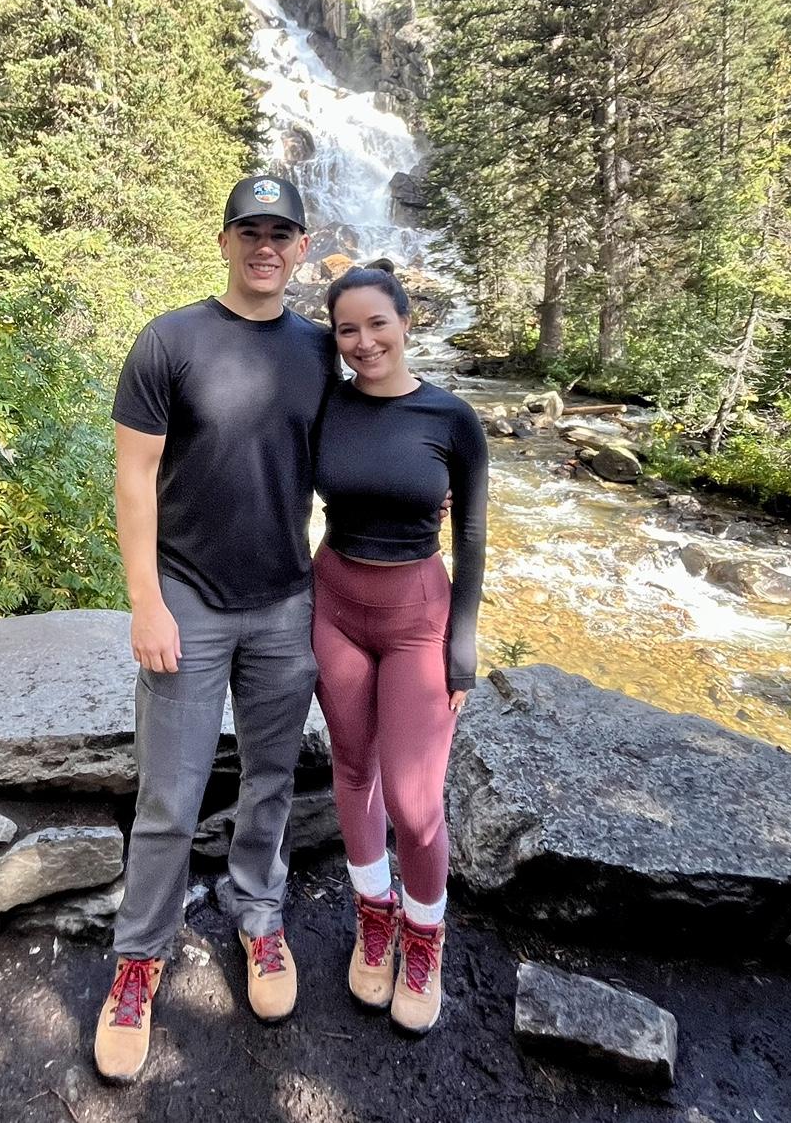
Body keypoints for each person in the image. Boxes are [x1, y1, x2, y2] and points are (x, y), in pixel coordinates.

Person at [93, 175, 335, 1085]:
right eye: (250, 230)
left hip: (285, 600)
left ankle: (259, 916)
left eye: (281, 231)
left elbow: (355, 450)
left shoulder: (320, 351)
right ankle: (140, 957)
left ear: (302, 247)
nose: (265, 245)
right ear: (225, 240)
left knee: (271, 775)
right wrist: (146, 601)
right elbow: (132, 479)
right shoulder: (169, 341)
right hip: (188, 598)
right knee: (170, 791)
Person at [311, 263, 489, 1035]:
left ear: (406, 321)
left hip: (418, 615)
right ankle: (374, 916)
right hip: (335, 605)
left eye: (376, 324)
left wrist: (465, 640)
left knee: (416, 803)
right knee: (352, 768)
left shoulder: (453, 419)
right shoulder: (326, 407)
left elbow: (474, 534)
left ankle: (425, 936)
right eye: (347, 329)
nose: (363, 342)